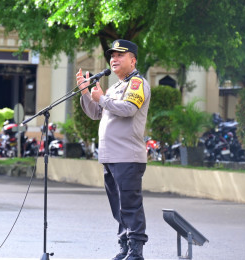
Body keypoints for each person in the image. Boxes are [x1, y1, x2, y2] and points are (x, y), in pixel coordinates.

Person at [76, 39, 150, 260]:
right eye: (112, 55)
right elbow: (97, 113)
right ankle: (125, 246)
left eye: (120, 55)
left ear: (133, 60)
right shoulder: (115, 87)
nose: (114, 59)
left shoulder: (137, 83)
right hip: (110, 157)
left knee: (130, 205)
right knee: (118, 206)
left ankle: (136, 251)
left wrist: (103, 99)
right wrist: (86, 93)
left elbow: (127, 109)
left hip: (128, 156)